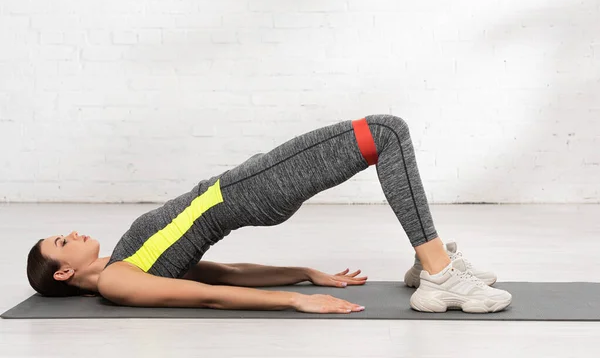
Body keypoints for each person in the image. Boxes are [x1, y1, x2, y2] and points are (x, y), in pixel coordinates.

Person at [26, 114, 512, 314]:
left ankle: (427, 266)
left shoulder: (125, 263)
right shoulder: (116, 281)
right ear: (66, 270)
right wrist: (295, 302)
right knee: (384, 132)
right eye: (62, 242)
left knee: (384, 134)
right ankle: (437, 273)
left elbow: (222, 273)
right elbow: (205, 296)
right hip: (247, 190)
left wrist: (303, 274)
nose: (71, 233)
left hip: (244, 186)